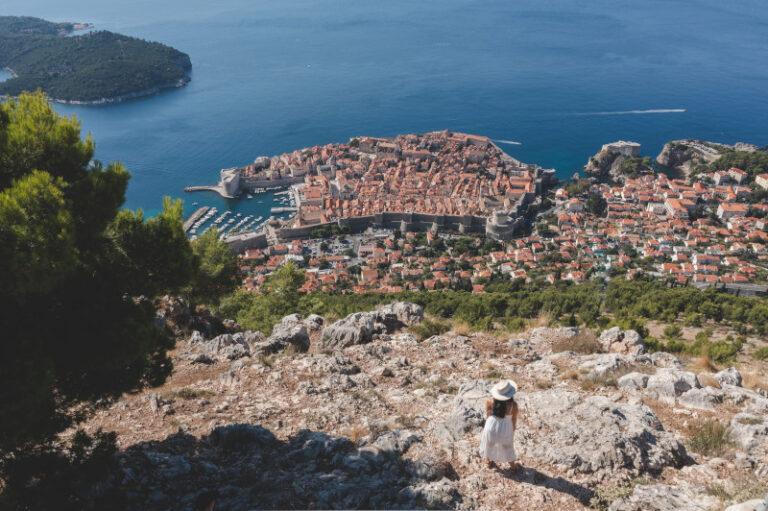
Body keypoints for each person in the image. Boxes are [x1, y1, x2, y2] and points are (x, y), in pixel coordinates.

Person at [479, 379, 520, 471]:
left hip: (491, 425)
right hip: (505, 427)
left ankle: (488, 461)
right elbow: (513, 420)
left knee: (489, 443)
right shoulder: (513, 406)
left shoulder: (489, 401)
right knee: (507, 446)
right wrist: (512, 430)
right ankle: (513, 466)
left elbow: (488, 415)